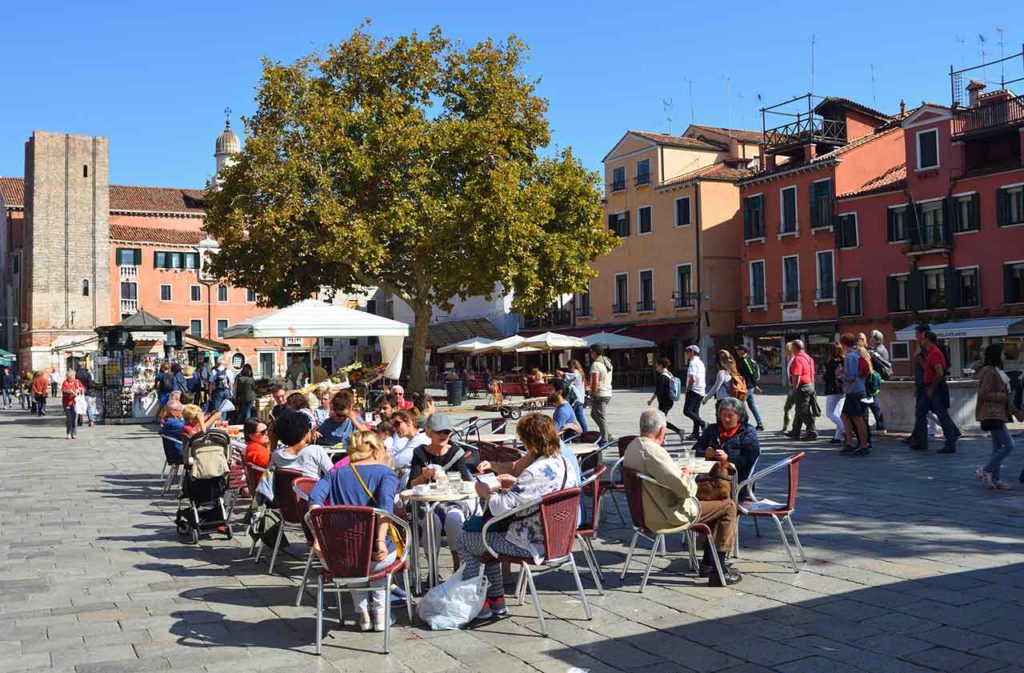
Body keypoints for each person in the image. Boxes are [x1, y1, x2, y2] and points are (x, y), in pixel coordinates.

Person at [455, 413, 575, 619]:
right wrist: (515, 485)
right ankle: (496, 600)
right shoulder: (564, 463)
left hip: (529, 543)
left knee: (466, 540)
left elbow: (499, 509)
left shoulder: (534, 471)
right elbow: (537, 494)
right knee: (487, 540)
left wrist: (486, 492)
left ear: (530, 441)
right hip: (558, 540)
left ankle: (479, 604)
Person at [624, 409, 741, 586]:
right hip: (666, 514)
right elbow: (686, 490)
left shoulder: (633, 446)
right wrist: (687, 476)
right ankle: (719, 571)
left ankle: (710, 563)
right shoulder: (653, 452)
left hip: (644, 511)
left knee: (715, 506)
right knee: (728, 506)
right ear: (662, 430)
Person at [308, 431, 400, 632]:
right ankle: (380, 615)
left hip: (338, 556)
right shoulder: (386, 474)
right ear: (375, 450)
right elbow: (386, 508)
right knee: (378, 564)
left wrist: (318, 535)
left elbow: (314, 499)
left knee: (352, 557)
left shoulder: (334, 474)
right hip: (376, 554)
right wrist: (380, 541)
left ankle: (363, 615)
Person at [408, 414, 475, 564]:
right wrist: (423, 477)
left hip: (453, 502)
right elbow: (411, 485)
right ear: (429, 431)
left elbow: (467, 482)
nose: (443, 435)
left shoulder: (456, 453)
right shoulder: (420, 453)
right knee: (431, 521)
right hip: (428, 504)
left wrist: (450, 480)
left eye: (446, 432)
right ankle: (433, 570)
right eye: (439, 432)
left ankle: (459, 567)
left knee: (453, 519)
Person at [257, 411, 333, 503]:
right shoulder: (316, 451)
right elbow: (333, 475)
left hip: (287, 506)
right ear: (305, 431)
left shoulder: (277, 455)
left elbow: (268, 471)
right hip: (312, 503)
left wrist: (273, 440)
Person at [975, 343, 1022, 490]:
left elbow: (1006, 398)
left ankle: (995, 479)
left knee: (997, 448)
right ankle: (986, 470)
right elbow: (984, 393)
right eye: (1002, 353)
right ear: (996, 355)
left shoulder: (996, 371)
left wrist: (1015, 412)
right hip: (993, 414)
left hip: (998, 413)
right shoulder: (990, 372)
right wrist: (1001, 396)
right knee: (1009, 445)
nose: (1004, 356)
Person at [693, 397, 761, 486]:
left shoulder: (747, 431)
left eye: (730, 416)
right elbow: (694, 451)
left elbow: (750, 458)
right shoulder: (712, 429)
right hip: (709, 478)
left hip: (735, 480)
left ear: (739, 416)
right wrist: (705, 453)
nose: (726, 419)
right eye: (723, 415)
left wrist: (728, 458)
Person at [918, 330, 961, 454]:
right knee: (922, 411)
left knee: (942, 414)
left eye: (923, 338)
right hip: (930, 387)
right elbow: (928, 368)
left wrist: (932, 388)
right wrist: (919, 357)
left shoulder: (935, 353)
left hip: (935, 388)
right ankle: (919, 439)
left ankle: (951, 442)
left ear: (928, 339)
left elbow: (939, 372)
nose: (921, 340)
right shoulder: (931, 353)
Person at [839, 333, 870, 455]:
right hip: (855, 390)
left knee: (858, 418)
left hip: (855, 390)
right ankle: (848, 443)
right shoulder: (857, 354)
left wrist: (841, 375)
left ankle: (863, 446)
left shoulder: (850, 356)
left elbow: (850, 375)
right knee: (845, 416)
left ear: (844, 344)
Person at [786, 340, 818, 441]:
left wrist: (794, 389)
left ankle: (812, 430)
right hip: (810, 385)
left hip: (802, 387)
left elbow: (797, 376)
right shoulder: (808, 358)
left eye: (792, 347)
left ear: (795, 348)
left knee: (802, 409)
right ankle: (795, 431)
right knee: (799, 409)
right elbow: (812, 373)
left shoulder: (798, 359)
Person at [648, 358, 683, 438]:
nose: (656, 368)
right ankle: (666, 435)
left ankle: (677, 432)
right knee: (661, 420)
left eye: (657, 366)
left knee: (660, 420)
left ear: (660, 366)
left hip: (664, 402)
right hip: (669, 401)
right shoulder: (669, 374)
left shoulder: (662, 377)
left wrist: (651, 400)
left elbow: (658, 390)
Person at [734, 345, 765, 431]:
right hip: (747, 386)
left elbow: (751, 374)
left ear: (743, 351)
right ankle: (760, 423)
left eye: (738, 350)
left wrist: (755, 386)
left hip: (747, 386)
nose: (737, 351)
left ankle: (743, 423)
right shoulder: (741, 360)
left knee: (739, 405)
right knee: (751, 405)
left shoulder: (746, 360)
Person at [588, 344, 614, 441]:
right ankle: (606, 432)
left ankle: (605, 438)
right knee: (594, 414)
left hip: (600, 393)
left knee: (601, 417)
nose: (590, 354)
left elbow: (595, 381)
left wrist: (592, 393)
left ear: (594, 353)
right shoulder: (607, 362)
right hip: (607, 393)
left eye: (591, 352)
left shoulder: (596, 365)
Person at [865, 330, 889, 433]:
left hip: (874, 380)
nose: (869, 339)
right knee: (872, 402)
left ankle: (881, 425)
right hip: (878, 379)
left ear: (876, 339)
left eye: (870, 337)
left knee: (874, 403)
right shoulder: (882, 349)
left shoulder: (877, 351)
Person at [822, 343, 845, 444]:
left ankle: (845, 429)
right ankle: (837, 437)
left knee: (830, 413)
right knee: (838, 413)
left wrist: (824, 376)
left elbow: (827, 377)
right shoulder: (843, 361)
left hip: (833, 389)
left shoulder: (831, 363)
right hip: (842, 388)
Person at [682, 345, 707, 439]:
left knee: (687, 411)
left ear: (692, 352)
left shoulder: (692, 363)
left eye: (688, 352)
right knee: (695, 412)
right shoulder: (700, 362)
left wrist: (687, 389)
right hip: (701, 390)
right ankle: (695, 433)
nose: (687, 354)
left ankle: (703, 423)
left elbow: (692, 378)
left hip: (694, 390)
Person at [564, 360, 589, 432]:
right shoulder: (580, 372)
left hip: (575, 398)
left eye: (569, 367)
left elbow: (570, 377)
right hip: (580, 398)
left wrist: (563, 374)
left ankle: (569, 433)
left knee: (569, 416)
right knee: (580, 417)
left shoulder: (576, 372)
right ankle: (585, 432)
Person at [60, 370, 85, 439]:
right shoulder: (65, 383)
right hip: (67, 403)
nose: (73, 377)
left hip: (75, 403)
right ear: (68, 377)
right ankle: (68, 433)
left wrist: (80, 389)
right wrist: (70, 392)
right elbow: (63, 391)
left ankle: (74, 433)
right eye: (71, 376)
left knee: (75, 418)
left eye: (73, 376)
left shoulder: (77, 381)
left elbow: (84, 389)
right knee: (69, 418)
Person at [75, 363, 95, 427]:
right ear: (83, 366)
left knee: (78, 406)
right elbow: (90, 384)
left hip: (77, 393)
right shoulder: (87, 374)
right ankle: (91, 420)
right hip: (85, 392)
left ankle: (78, 421)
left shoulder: (75, 374)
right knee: (87, 407)